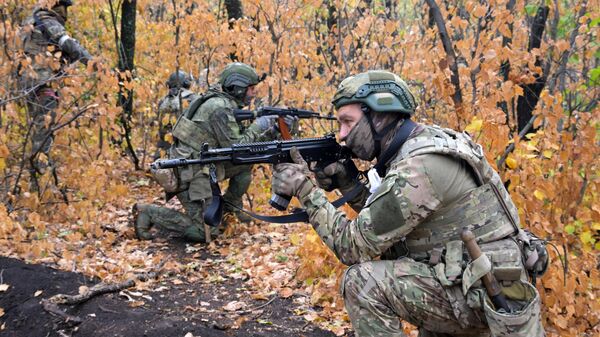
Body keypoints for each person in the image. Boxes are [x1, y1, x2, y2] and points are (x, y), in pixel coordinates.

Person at [271, 70, 546, 337]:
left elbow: (352, 246)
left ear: (379, 116)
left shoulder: (419, 168)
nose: (341, 135)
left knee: (362, 282)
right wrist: (350, 184)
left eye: (348, 122)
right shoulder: (426, 142)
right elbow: (391, 222)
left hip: (482, 297)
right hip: (476, 283)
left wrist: (304, 188)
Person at [134, 62, 290, 242]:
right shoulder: (219, 108)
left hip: (203, 166)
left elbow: (244, 150)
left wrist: (274, 131)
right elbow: (238, 146)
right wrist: (259, 125)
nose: (254, 92)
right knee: (205, 233)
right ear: (237, 87)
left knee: (245, 164)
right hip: (188, 175)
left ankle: (227, 210)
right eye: (251, 88)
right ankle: (148, 212)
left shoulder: (223, 102)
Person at [18, 0, 93, 189]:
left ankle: (40, 184)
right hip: (43, 85)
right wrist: (93, 63)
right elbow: (68, 44)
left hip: (28, 86)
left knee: (39, 134)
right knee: (43, 138)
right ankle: (40, 189)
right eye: (64, 7)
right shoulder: (47, 21)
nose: (65, 13)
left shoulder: (29, 22)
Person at [155, 70, 199, 159]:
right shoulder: (193, 99)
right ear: (187, 83)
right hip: (185, 152)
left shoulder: (163, 101)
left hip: (164, 150)